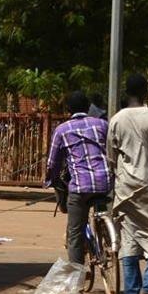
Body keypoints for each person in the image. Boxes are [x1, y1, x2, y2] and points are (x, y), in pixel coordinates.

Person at [107, 74, 148, 294]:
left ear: (127, 92)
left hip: (124, 184)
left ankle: (132, 293)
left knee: (129, 237)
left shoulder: (116, 119)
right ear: (146, 92)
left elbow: (111, 156)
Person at [45, 90, 112, 266]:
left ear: (69, 109)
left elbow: (52, 163)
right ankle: (106, 236)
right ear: (88, 107)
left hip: (80, 187)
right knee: (100, 204)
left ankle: (77, 281)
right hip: (105, 182)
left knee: (74, 233)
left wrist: (52, 181)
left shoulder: (62, 130)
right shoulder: (102, 125)